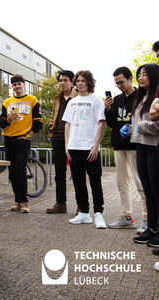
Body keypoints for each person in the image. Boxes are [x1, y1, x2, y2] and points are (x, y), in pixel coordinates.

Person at [104, 67, 147, 232]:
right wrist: (108, 110)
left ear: (130, 79)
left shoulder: (141, 96)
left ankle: (148, 220)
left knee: (141, 184)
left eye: (121, 82)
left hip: (136, 146)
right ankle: (127, 217)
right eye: (116, 83)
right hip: (119, 146)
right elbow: (111, 123)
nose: (119, 85)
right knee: (122, 183)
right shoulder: (116, 100)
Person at [63, 70, 107, 229]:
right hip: (74, 147)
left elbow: (102, 123)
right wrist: (66, 146)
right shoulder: (72, 102)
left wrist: (96, 146)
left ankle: (99, 214)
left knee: (95, 182)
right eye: (78, 81)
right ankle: (83, 213)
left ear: (89, 82)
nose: (80, 83)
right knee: (78, 182)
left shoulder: (97, 101)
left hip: (90, 148)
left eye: (83, 81)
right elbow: (67, 124)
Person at [0, 74, 42, 213]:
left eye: (19, 84)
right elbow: (1, 122)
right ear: (12, 87)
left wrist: (29, 136)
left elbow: (38, 122)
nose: (17, 86)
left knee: (20, 170)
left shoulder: (32, 100)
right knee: (12, 173)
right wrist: (9, 120)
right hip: (9, 140)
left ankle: (24, 202)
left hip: (23, 140)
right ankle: (17, 201)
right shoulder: (7, 102)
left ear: (24, 84)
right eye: (14, 84)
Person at [129, 64, 159, 247]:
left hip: (154, 147)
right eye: (139, 74)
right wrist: (133, 129)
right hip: (140, 147)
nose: (140, 78)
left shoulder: (156, 98)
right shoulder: (141, 98)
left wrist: (141, 127)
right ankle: (153, 228)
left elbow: (156, 125)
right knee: (148, 191)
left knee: (157, 191)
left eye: (145, 74)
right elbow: (139, 123)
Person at [46, 70, 77, 214]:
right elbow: (54, 116)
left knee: (77, 172)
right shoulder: (57, 98)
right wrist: (51, 131)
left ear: (72, 82)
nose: (62, 83)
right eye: (60, 80)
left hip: (74, 139)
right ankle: (61, 203)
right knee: (59, 173)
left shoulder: (78, 97)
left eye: (65, 80)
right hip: (58, 138)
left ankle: (81, 205)